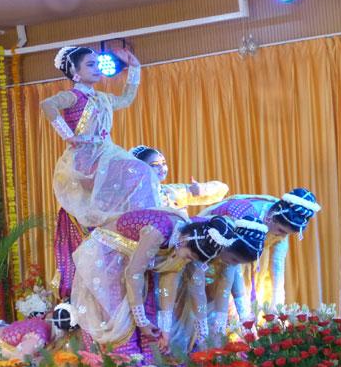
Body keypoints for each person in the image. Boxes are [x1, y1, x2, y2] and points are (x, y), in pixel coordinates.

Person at [42, 47, 161, 297]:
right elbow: (47, 104)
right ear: (75, 71)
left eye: (97, 65)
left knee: (143, 173)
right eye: (90, 65)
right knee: (139, 171)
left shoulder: (103, 98)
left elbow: (127, 98)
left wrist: (135, 67)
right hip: (86, 157)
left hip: (106, 152)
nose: (97, 69)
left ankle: (144, 228)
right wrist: (69, 136)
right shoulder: (73, 96)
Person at [70, 210, 236, 362]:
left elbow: (169, 281)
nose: (187, 261)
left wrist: (167, 329)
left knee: (145, 308)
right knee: (119, 319)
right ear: (185, 241)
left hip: (133, 260)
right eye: (189, 257)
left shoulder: (189, 237)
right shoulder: (158, 231)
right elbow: (133, 273)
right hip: (107, 253)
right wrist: (142, 322)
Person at [200, 188, 321, 318]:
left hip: (249, 258)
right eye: (281, 230)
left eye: (286, 233)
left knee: (257, 295)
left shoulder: (282, 219)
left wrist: (277, 300)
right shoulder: (244, 214)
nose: (281, 235)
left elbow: (277, 262)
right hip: (216, 252)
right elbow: (233, 262)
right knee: (218, 299)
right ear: (272, 217)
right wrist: (243, 312)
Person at [170, 216, 269, 350]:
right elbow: (197, 291)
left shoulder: (230, 257)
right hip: (178, 271)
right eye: (234, 259)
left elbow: (225, 289)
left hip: (205, 287)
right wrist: (203, 335)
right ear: (226, 247)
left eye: (238, 263)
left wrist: (221, 327)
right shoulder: (206, 244)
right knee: (179, 323)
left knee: (214, 322)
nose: (234, 264)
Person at [130, 145, 229, 210]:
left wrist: (203, 189)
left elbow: (223, 189)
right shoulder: (128, 197)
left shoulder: (171, 192)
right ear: (140, 168)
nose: (162, 168)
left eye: (164, 163)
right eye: (154, 164)